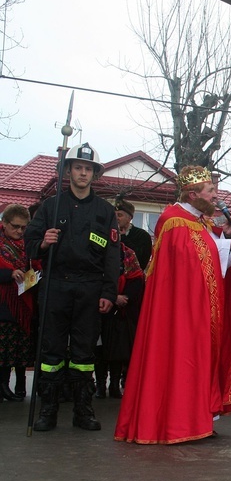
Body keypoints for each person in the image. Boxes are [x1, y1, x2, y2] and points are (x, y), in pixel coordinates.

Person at [114, 166, 231, 444]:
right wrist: (228, 245)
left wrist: (225, 236)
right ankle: (177, 423)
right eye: (210, 190)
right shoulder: (173, 220)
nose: (216, 195)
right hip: (179, 311)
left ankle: (198, 419)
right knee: (181, 358)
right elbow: (192, 259)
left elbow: (209, 255)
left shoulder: (200, 221)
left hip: (199, 307)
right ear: (193, 194)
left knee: (200, 358)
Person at [24, 143, 120, 431]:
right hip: (55, 285)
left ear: (94, 174)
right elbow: (28, 243)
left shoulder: (105, 211)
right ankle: (48, 411)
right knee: (51, 352)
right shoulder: (50, 206)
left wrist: (108, 292)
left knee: (84, 354)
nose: (82, 173)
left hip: (90, 289)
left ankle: (83, 411)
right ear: (68, 171)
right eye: (78, 167)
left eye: (87, 169)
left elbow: (113, 256)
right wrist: (43, 242)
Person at [94, 243, 144, 399]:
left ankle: (114, 385)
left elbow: (137, 280)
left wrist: (124, 297)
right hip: (98, 308)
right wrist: (111, 297)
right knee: (99, 350)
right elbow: (92, 279)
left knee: (118, 349)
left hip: (121, 312)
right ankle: (100, 385)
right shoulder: (95, 251)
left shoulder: (128, 254)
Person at [0, 204, 37, 403]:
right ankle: (3, 386)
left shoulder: (27, 245)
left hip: (22, 302)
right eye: (15, 226)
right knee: (3, 349)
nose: (19, 231)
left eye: (23, 227)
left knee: (18, 347)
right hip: (4, 303)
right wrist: (9, 274)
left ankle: (17, 386)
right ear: (4, 223)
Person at [114, 198, 152, 271]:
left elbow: (141, 262)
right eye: (114, 215)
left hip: (132, 280)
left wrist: (123, 238)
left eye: (119, 215)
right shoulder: (108, 234)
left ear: (129, 218)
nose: (116, 218)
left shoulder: (143, 236)